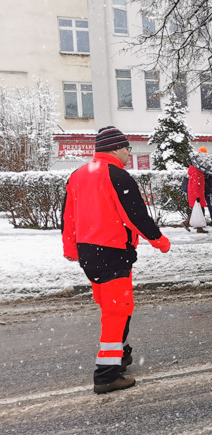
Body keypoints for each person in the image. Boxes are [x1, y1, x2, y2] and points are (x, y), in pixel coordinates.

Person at [61, 126, 171, 394]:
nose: (128, 154)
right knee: (116, 312)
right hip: (112, 253)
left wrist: (72, 249)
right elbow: (135, 216)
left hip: (89, 254)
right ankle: (106, 375)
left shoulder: (77, 175)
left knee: (113, 307)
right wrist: (160, 242)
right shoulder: (117, 176)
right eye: (127, 149)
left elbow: (68, 218)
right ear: (116, 148)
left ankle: (121, 355)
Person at [184, 157, 209, 234]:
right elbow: (195, 186)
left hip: (196, 195)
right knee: (200, 211)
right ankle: (199, 228)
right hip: (197, 196)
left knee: (197, 210)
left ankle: (187, 223)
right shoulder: (197, 173)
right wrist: (197, 196)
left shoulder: (196, 173)